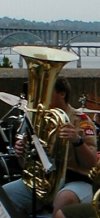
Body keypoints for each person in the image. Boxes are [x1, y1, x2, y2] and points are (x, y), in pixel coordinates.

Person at [2, 76, 97, 218]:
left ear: (62, 94)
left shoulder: (81, 120)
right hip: (45, 180)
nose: (40, 97)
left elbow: (91, 163)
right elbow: (27, 165)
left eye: (46, 93)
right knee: (4, 195)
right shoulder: (37, 119)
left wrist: (77, 141)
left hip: (76, 180)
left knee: (64, 199)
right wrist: (22, 152)